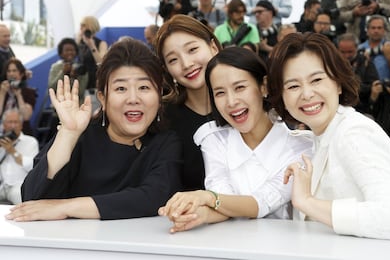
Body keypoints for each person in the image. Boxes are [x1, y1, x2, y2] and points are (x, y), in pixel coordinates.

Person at [5, 39, 183, 221]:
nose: (133, 98)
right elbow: (32, 198)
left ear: (159, 95)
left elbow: (154, 196)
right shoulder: (80, 137)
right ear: (103, 98)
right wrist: (68, 133)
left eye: (144, 87)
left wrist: (66, 207)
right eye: (121, 88)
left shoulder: (166, 143)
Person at [267, 32, 390, 240]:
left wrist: (307, 201)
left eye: (316, 79)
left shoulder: (354, 133)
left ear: (337, 82)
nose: (307, 93)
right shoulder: (321, 135)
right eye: (293, 86)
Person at [158, 47, 313, 233]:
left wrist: (205, 198)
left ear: (263, 87)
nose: (231, 102)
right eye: (220, 93)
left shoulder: (301, 148)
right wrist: (197, 214)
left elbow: (261, 203)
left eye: (240, 88)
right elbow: (224, 199)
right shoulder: (213, 138)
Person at [155, 14, 221, 191]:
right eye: (173, 60)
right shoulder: (162, 117)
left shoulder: (242, 107)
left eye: (192, 50)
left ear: (213, 47)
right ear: (167, 70)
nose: (186, 64)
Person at [0, 109, 38, 204]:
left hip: (18, 186)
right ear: (4, 125)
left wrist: (12, 151)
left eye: (16, 122)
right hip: (1, 185)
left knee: (21, 197)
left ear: (21, 125)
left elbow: (33, 167)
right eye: (10, 122)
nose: (13, 126)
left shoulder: (31, 142)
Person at [336, 32, 379, 114]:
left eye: (350, 52)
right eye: (343, 52)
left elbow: (374, 85)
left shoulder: (366, 62)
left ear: (356, 48)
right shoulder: (333, 63)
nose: (346, 56)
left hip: (361, 109)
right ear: (338, 49)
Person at [0, 58, 37, 136]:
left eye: (14, 71)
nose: (11, 74)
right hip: (2, 129)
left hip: (21, 131)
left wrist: (19, 95)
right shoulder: (2, 90)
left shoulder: (29, 92)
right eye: (9, 71)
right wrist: (2, 94)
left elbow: (26, 116)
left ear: (21, 74)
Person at [358, 15, 390, 81]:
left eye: (379, 28)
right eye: (373, 28)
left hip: (387, 87)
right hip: (364, 88)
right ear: (367, 30)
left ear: (384, 31)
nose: (376, 31)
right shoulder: (359, 49)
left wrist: (389, 58)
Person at [48, 38, 88, 104]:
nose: (70, 52)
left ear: (76, 52)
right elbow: (52, 87)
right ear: (61, 53)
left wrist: (74, 78)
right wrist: (63, 73)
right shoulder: (55, 67)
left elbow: (80, 92)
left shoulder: (81, 69)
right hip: (59, 106)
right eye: (66, 50)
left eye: (72, 50)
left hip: (77, 106)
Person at [76, 16, 108, 93]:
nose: (81, 28)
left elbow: (101, 63)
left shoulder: (101, 43)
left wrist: (92, 46)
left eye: (83, 25)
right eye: (80, 25)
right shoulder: (79, 43)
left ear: (91, 27)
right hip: (81, 83)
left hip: (94, 85)